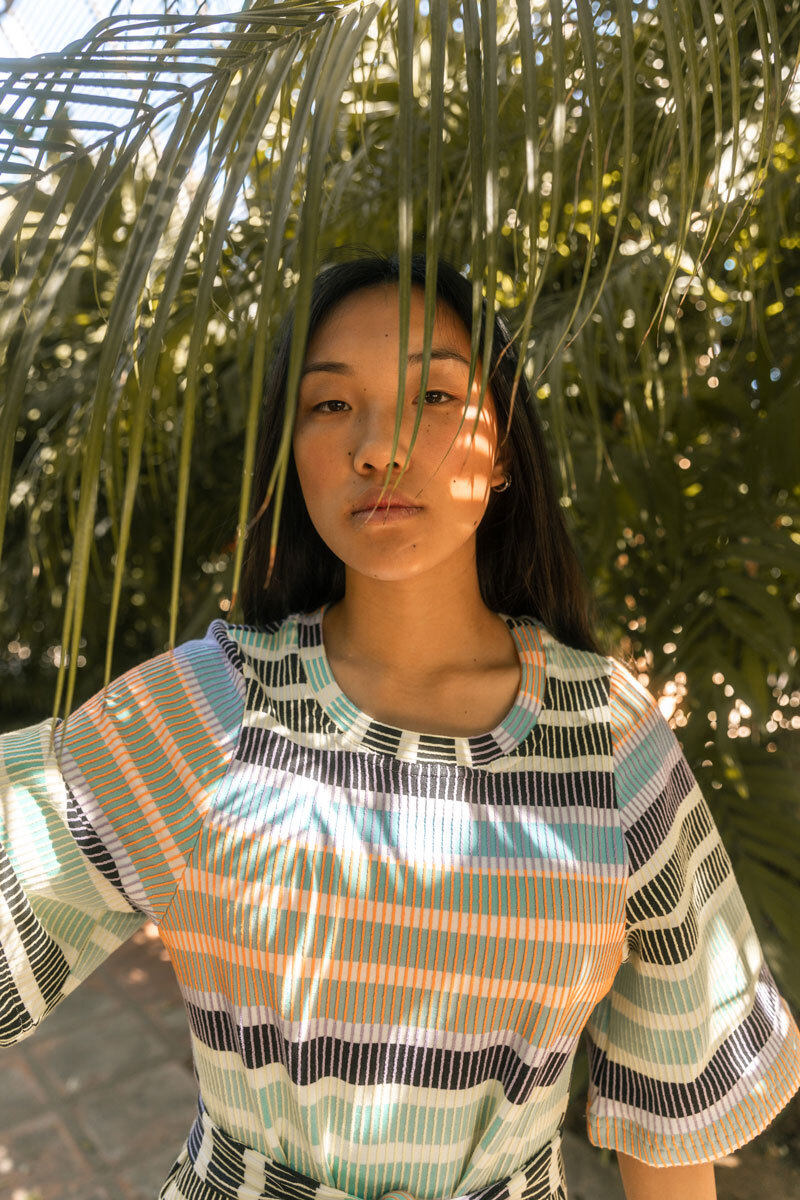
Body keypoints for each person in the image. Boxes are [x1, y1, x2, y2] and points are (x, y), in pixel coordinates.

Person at [1, 250, 798, 1200]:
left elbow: (674, 1109)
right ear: (291, 453)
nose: (380, 446)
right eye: (331, 405)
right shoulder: (212, 708)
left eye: (435, 398)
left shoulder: (613, 739)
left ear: (502, 447)